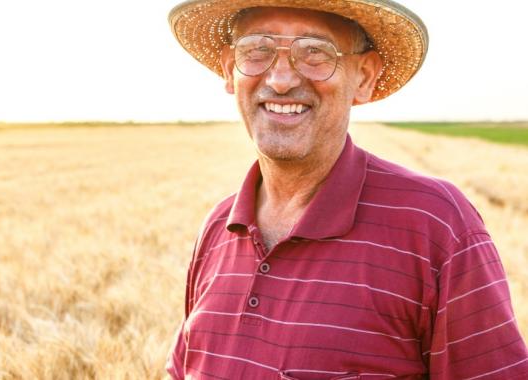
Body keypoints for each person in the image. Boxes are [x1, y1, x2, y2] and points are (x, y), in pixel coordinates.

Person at [166, 1, 528, 378]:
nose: (281, 80)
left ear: (365, 77)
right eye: (257, 50)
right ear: (229, 70)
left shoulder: (435, 226)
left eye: (315, 52)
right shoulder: (217, 227)